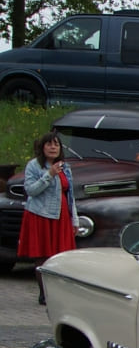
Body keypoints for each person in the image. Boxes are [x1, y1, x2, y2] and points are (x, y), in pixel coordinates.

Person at [19, 130, 78, 304]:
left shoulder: (65, 167)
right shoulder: (34, 166)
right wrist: (49, 174)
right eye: (49, 144)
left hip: (62, 216)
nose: (53, 148)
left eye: (56, 144)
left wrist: (74, 219)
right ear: (42, 147)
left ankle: (58, 292)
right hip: (41, 215)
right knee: (43, 255)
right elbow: (31, 190)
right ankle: (44, 293)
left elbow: (70, 195)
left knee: (61, 256)